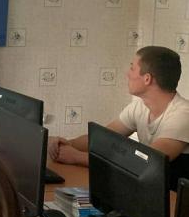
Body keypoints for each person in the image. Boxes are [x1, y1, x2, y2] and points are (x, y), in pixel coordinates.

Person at [48, 46, 189, 187]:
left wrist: (76, 157)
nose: (127, 74)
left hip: (175, 198)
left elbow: (144, 163)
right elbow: (103, 139)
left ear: (147, 79)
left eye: (132, 68)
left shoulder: (183, 115)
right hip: (151, 191)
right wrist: (66, 144)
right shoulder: (139, 107)